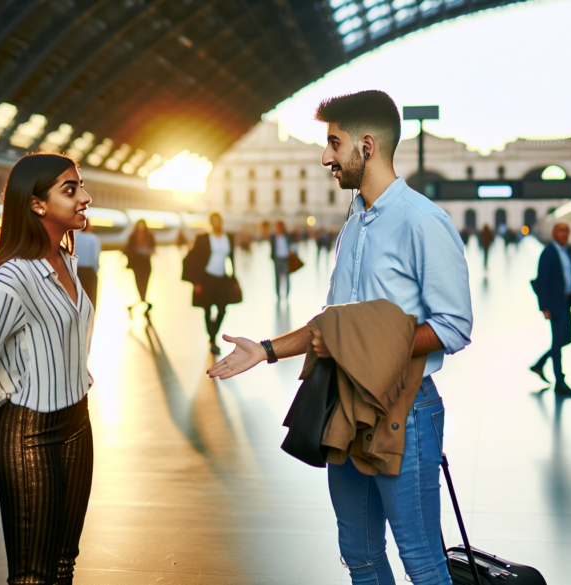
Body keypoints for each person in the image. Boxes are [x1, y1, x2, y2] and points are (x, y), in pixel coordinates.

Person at [207, 90, 472, 585]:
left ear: (367, 146)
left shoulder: (422, 221)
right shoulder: (354, 225)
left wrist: (361, 342)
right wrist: (265, 351)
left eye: (334, 143)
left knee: (422, 562)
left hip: (405, 412)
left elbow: (454, 326)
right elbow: (333, 325)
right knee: (360, 554)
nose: (326, 156)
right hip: (345, 410)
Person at [0, 153, 95, 585]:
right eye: (70, 190)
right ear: (36, 205)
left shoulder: (66, 263)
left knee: (64, 562)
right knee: (32, 574)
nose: (84, 198)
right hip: (27, 434)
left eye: (80, 186)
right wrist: (14, 405)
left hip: (76, 422)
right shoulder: (15, 277)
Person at [530, 222, 571, 396]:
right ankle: (560, 381)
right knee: (558, 343)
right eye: (561, 231)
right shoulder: (548, 253)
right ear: (554, 233)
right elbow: (542, 281)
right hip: (555, 304)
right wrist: (544, 307)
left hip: (566, 302)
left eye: (566, 231)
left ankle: (540, 364)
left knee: (569, 337)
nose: (564, 234)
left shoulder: (565, 252)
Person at [182, 212, 240, 355]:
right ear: (210, 223)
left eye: (218, 221)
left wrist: (234, 277)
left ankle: (213, 334)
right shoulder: (204, 239)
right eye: (213, 221)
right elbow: (193, 258)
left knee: (222, 309)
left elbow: (231, 259)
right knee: (207, 309)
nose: (216, 223)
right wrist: (197, 281)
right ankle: (213, 339)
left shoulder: (228, 238)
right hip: (206, 278)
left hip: (222, 278)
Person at [124, 220, 156, 313]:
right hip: (137, 263)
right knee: (139, 285)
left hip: (146, 263)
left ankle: (140, 303)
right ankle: (143, 302)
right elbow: (128, 249)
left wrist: (150, 251)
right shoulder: (133, 237)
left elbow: (153, 246)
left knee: (145, 285)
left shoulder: (149, 236)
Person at [75, 220, 101, 307]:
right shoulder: (93, 238)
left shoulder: (73, 236)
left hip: (75, 270)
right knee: (89, 297)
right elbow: (95, 257)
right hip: (89, 271)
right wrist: (95, 271)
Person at [270, 220, 295, 302]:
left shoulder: (287, 236)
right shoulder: (273, 236)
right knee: (277, 278)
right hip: (277, 259)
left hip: (286, 258)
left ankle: (287, 294)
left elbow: (292, 245)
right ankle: (278, 295)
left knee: (286, 277)